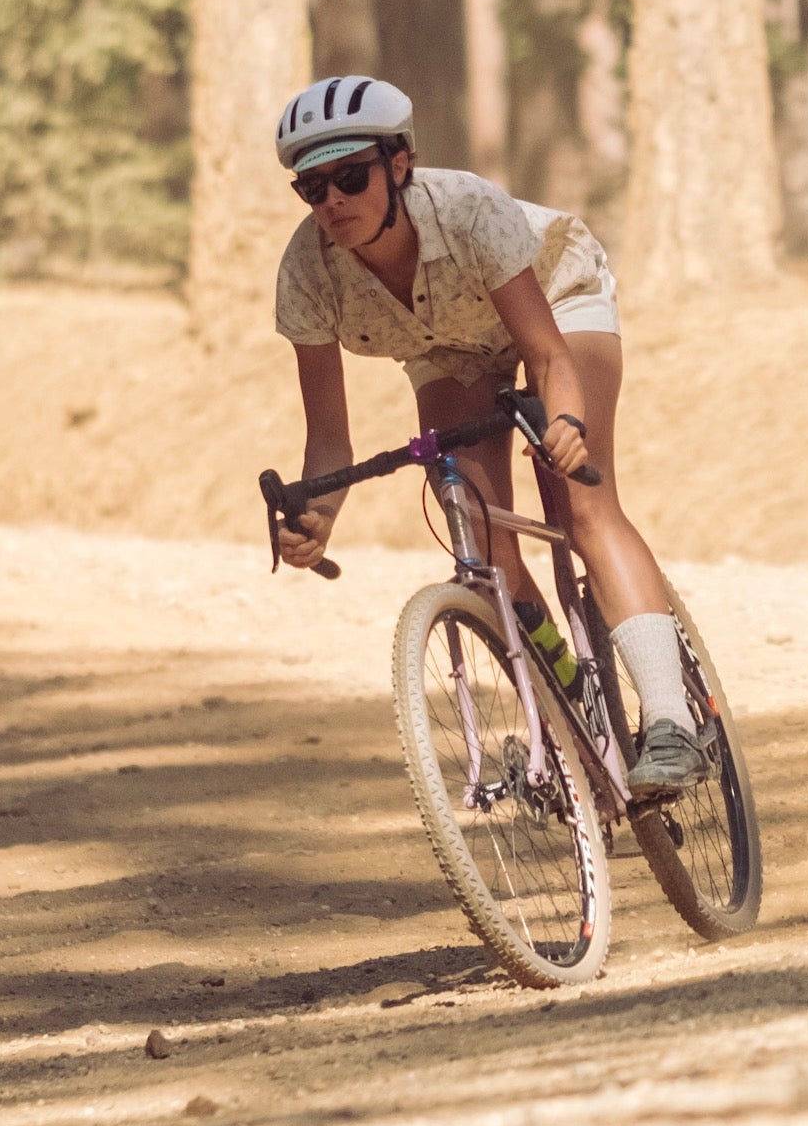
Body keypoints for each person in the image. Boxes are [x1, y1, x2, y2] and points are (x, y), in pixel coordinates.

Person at [269, 75, 705, 794]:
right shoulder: (306, 271)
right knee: (477, 532)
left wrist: (563, 422)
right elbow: (328, 445)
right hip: (447, 348)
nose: (333, 201)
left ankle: (670, 723)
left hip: (555, 307)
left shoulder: (468, 211)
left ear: (398, 164)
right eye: (313, 188)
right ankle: (572, 699)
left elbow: (548, 356)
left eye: (350, 176)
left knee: (581, 500)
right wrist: (317, 518)